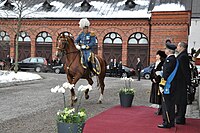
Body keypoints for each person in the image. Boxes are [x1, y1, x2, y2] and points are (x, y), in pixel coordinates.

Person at [158, 43, 178, 128]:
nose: (165, 50)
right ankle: (171, 121)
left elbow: (166, 74)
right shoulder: (174, 59)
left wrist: (162, 85)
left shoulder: (169, 60)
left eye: (166, 49)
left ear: (169, 51)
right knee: (171, 103)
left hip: (168, 85)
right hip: (173, 85)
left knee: (167, 104)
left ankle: (167, 122)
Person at [175, 42, 191, 125]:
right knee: (179, 99)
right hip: (180, 81)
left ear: (181, 47)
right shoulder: (181, 55)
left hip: (181, 82)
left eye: (178, 46)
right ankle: (179, 116)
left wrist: (188, 83)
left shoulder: (183, 57)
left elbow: (185, 71)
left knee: (181, 100)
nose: (177, 47)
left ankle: (181, 118)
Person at [149, 50, 167, 115]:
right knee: (156, 95)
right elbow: (152, 72)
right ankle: (159, 108)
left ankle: (161, 109)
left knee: (160, 95)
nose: (156, 56)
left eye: (157, 55)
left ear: (160, 56)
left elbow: (162, 73)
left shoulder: (162, 63)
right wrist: (152, 78)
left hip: (159, 82)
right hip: (155, 82)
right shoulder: (156, 63)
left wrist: (157, 79)